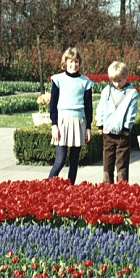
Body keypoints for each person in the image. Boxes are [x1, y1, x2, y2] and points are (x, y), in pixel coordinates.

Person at [48, 47, 93, 185]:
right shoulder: (58, 79)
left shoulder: (85, 82)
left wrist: (88, 127)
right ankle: (47, 186)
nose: (74, 65)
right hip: (62, 122)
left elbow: (89, 107)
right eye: (71, 62)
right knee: (60, 160)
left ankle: (70, 188)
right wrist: (54, 125)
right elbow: (53, 105)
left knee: (74, 161)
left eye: (76, 62)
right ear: (65, 63)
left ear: (80, 63)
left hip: (79, 122)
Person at [96, 61, 139, 183]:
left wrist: (126, 128)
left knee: (122, 165)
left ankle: (122, 187)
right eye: (114, 81)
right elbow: (101, 108)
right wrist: (100, 124)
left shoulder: (132, 93)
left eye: (119, 81)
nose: (117, 84)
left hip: (122, 134)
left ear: (125, 77)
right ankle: (107, 186)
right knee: (107, 164)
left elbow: (131, 112)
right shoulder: (107, 90)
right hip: (108, 132)